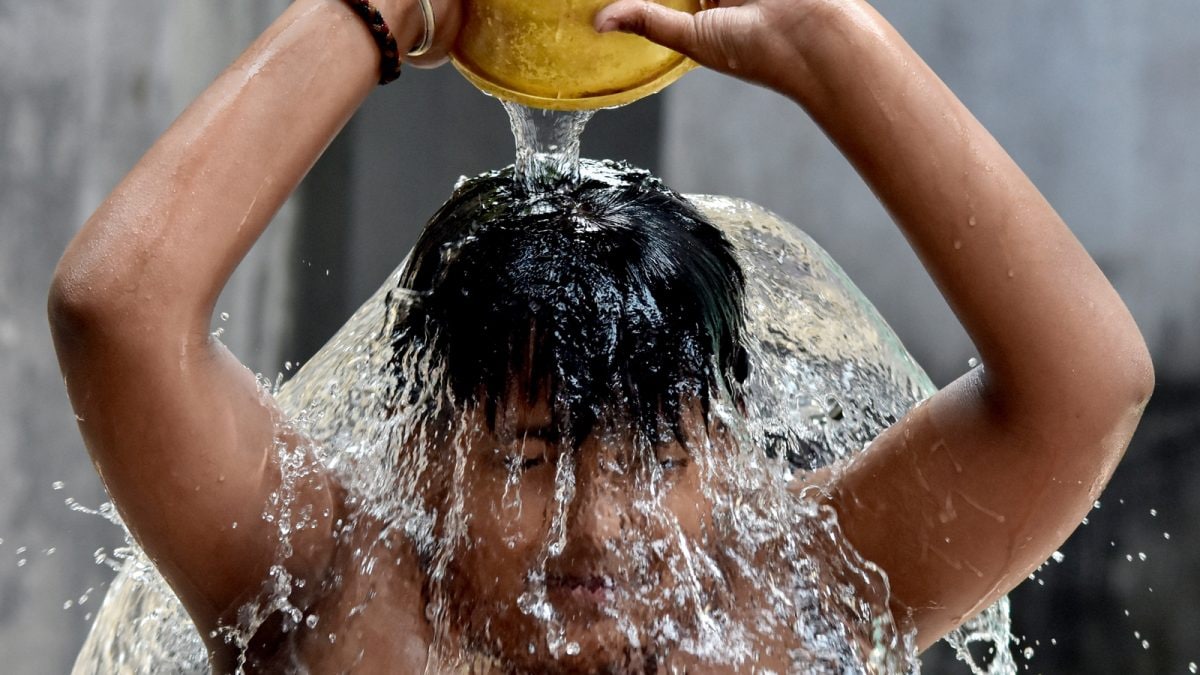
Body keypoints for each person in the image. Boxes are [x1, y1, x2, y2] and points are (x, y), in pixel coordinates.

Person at [48, 0, 1153, 672]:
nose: (597, 528)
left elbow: (1086, 388)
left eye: (657, 458)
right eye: (528, 457)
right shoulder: (328, 587)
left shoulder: (791, 591)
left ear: (728, 454)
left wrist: (830, 43)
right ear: (419, 453)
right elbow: (118, 313)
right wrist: (377, 16)